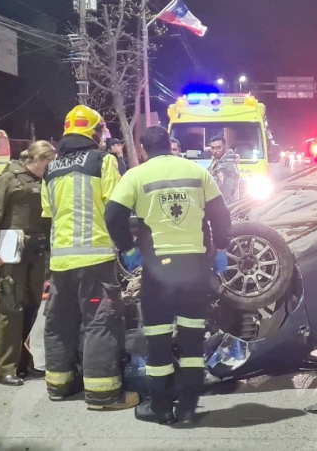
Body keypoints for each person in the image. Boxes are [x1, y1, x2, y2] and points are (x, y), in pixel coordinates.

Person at [104, 126, 232, 426]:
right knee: (192, 339)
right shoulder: (197, 172)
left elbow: (112, 215)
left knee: (158, 339)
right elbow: (220, 215)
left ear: (144, 149)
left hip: (158, 268)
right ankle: (188, 409)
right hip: (194, 266)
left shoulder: (136, 175)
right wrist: (222, 247)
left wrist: (129, 248)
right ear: (170, 145)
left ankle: (160, 407)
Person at [41, 105, 139, 410]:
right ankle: (102, 394)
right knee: (101, 322)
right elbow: (115, 208)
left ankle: (60, 385)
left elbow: (48, 215)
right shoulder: (102, 160)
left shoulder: (51, 168)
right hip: (94, 261)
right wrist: (129, 245)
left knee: (60, 322)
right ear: (94, 133)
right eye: (100, 132)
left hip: (60, 263)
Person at [0, 140, 55, 387]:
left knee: (32, 305)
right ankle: (3, 369)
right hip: (10, 251)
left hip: (36, 250)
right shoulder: (9, 178)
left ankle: (23, 364)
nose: (50, 167)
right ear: (36, 159)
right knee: (10, 308)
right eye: (47, 162)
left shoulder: (45, 181)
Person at [207, 135, 241, 204]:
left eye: (218, 148)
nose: (215, 151)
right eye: (212, 148)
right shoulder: (216, 162)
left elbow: (225, 193)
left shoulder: (228, 166)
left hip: (226, 208)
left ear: (225, 148)